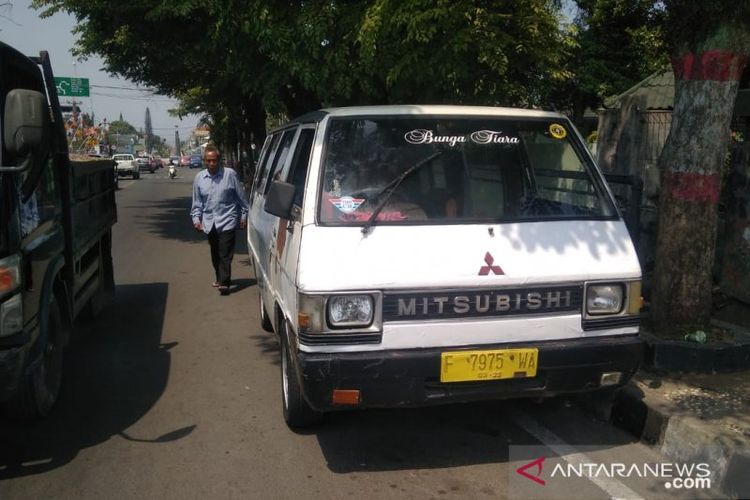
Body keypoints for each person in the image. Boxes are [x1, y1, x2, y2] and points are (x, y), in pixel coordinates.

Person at [190, 144, 248, 295]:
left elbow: (241, 198)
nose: (211, 164)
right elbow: (197, 202)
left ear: (219, 160)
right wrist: (196, 219)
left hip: (227, 219)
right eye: (208, 161)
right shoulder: (200, 178)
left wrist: (243, 215)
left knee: (225, 252)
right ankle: (219, 277)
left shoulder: (230, 175)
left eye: (214, 160)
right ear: (204, 161)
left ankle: (225, 283)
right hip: (209, 222)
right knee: (215, 253)